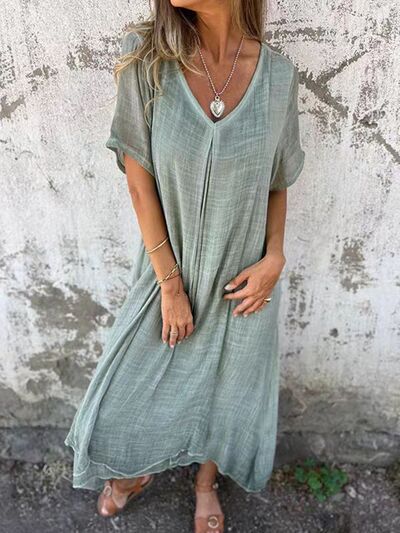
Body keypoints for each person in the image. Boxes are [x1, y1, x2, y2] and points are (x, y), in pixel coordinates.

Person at [64, 1, 305, 531]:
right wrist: (171, 286)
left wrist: (275, 255)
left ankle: (204, 485)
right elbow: (138, 180)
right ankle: (132, 472)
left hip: (244, 280)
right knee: (118, 401)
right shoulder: (147, 60)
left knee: (227, 392)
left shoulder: (277, 77)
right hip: (167, 274)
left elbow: (277, 180)